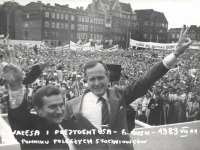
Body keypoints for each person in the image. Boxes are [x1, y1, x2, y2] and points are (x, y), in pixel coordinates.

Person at [64, 26, 193, 149]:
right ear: (86, 80)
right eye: (92, 79)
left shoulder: (120, 94)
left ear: (108, 77)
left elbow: (146, 80)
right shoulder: (71, 106)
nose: (97, 83)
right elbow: (66, 138)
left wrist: (175, 54)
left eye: (100, 78)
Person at [1, 47, 77, 150]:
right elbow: (18, 115)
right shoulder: (31, 128)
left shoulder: (70, 126)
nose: (59, 111)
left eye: (61, 105)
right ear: (38, 110)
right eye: (52, 107)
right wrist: (15, 84)